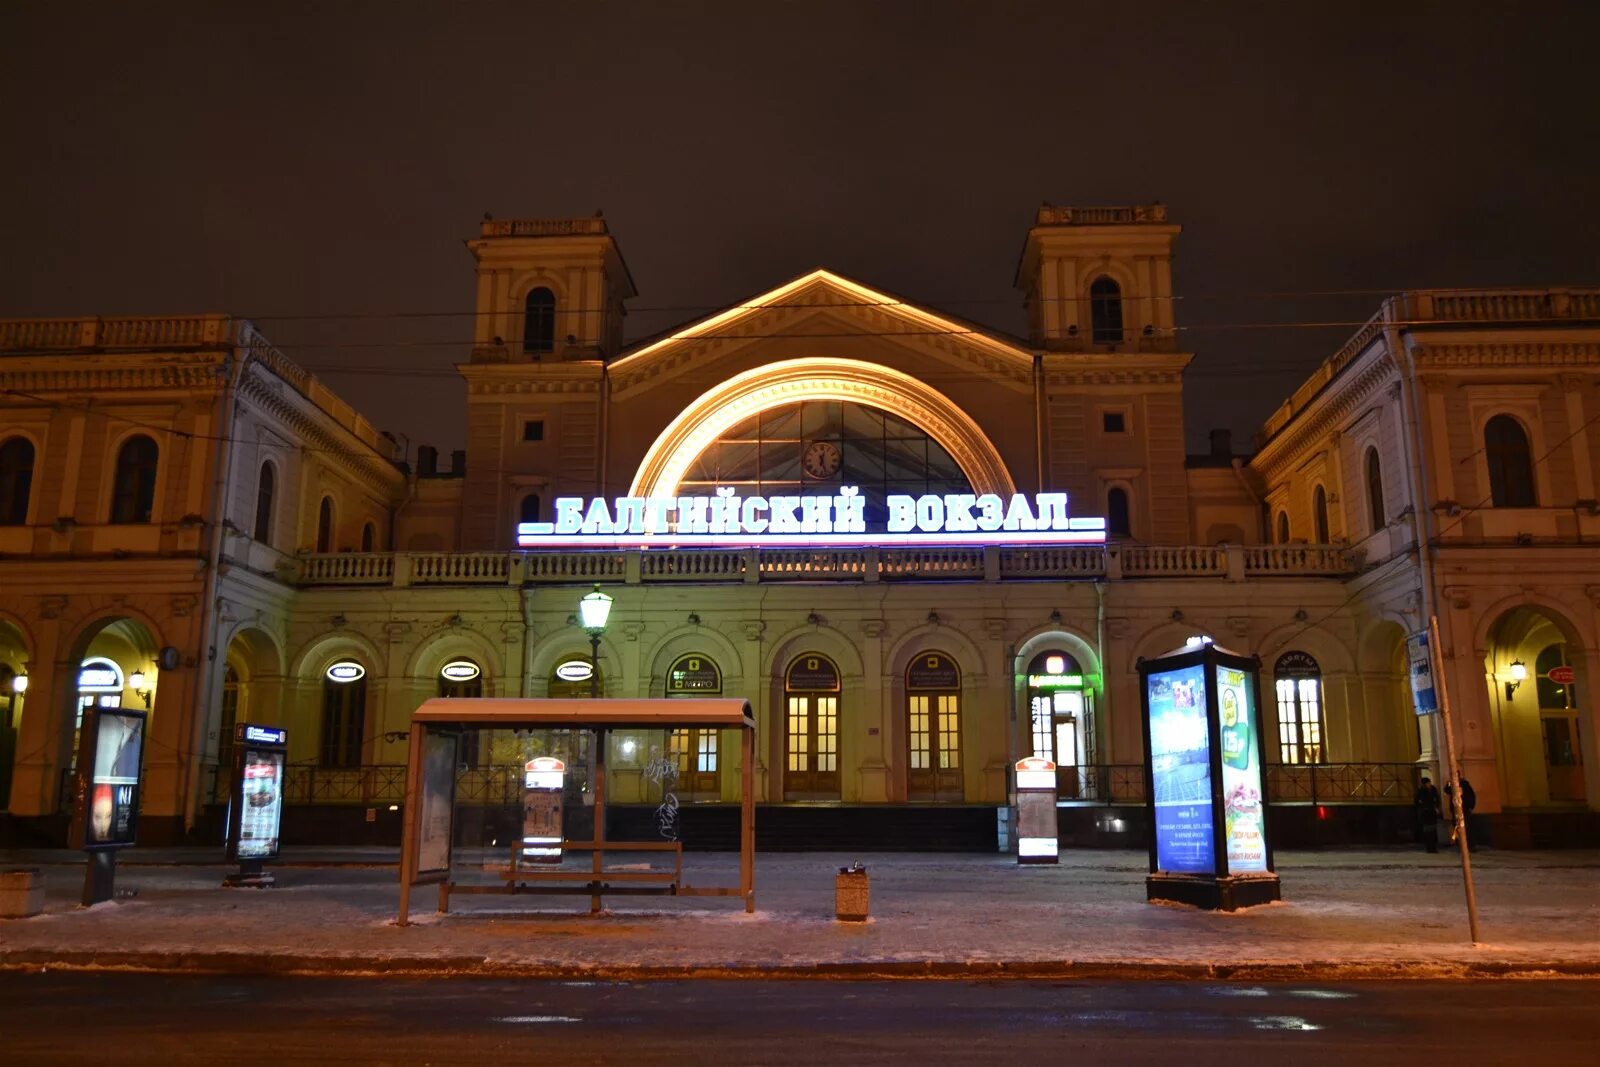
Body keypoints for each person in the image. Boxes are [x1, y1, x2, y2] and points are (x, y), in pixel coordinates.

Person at [1414, 775, 1442, 853]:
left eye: (1429, 782)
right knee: (1428, 832)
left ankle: (1433, 847)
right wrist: (1425, 807)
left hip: (1432, 813)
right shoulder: (1421, 792)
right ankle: (1429, 848)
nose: (1429, 784)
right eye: (1428, 783)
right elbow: (1417, 802)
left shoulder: (1433, 790)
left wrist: (1436, 807)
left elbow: (1437, 799)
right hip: (1426, 814)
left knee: (1432, 831)